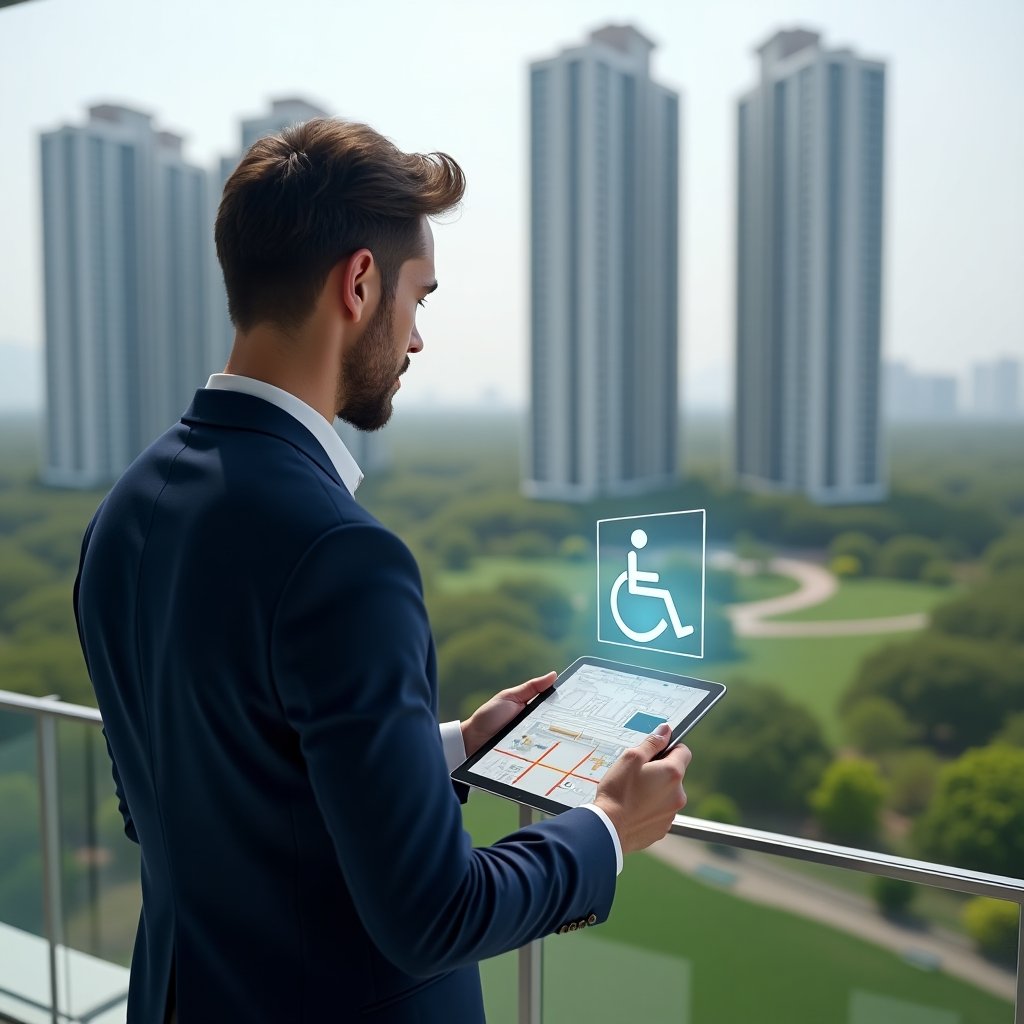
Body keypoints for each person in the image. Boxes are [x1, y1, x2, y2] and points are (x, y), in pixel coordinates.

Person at [73, 118, 692, 1024]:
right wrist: (607, 828)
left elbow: (178, 797)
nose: (417, 340)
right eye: (420, 299)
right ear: (360, 284)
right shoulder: (342, 554)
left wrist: (443, 748)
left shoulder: (124, 510)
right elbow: (433, 915)